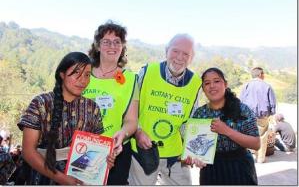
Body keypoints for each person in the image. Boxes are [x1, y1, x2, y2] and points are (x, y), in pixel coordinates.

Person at [17, 52, 116, 185]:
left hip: (79, 177)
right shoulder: (41, 103)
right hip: (41, 176)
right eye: (76, 73)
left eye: (87, 75)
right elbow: (28, 151)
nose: (83, 80)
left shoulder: (93, 108)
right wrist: (61, 178)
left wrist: (106, 159)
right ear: (62, 74)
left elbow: (95, 150)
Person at [129, 34, 202, 185]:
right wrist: (137, 132)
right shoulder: (147, 71)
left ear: (191, 58)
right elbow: (131, 108)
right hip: (143, 150)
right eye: (175, 51)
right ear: (166, 51)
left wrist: (193, 150)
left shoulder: (196, 83)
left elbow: (190, 120)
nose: (179, 57)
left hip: (175, 155)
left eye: (186, 54)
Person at [82, 21, 138, 185]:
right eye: (106, 41)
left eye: (117, 42)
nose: (112, 46)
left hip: (116, 150)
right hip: (82, 147)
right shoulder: (83, 72)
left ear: (122, 47)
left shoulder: (131, 79)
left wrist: (123, 134)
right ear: (98, 46)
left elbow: (131, 121)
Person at [188, 67, 260, 185]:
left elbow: (256, 144)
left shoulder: (242, 110)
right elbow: (194, 150)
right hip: (210, 171)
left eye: (216, 81)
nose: (212, 86)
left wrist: (226, 130)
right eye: (207, 83)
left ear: (225, 84)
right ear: (203, 89)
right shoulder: (200, 114)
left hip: (240, 168)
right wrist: (194, 158)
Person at [240, 67, 277, 163]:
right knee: (262, 136)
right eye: (263, 74)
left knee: (249, 135)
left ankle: (249, 157)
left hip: (248, 116)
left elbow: (241, 101)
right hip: (262, 116)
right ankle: (260, 159)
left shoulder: (246, 86)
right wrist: (272, 113)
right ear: (260, 74)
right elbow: (272, 102)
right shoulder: (267, 86)